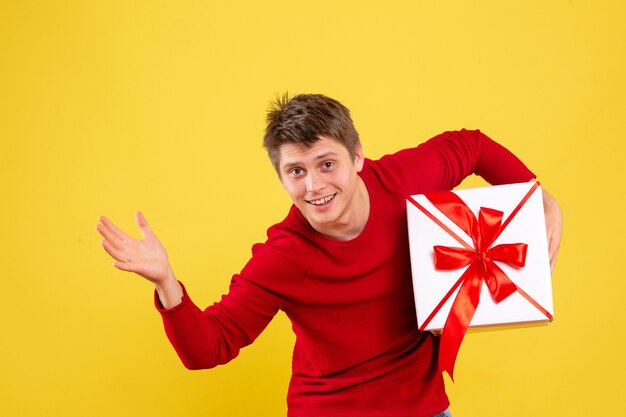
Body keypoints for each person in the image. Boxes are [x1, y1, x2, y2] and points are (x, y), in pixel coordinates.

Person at [96, 93, 562, 417]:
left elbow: (472, 145)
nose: (314, 186)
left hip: (423, 408)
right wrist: (167, 285)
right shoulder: (283, 256)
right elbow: (209, 348)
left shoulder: (402, 182)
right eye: (296, 171)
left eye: (326, 164)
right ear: (281, 179)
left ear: (357, 156)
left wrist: (540, 199)